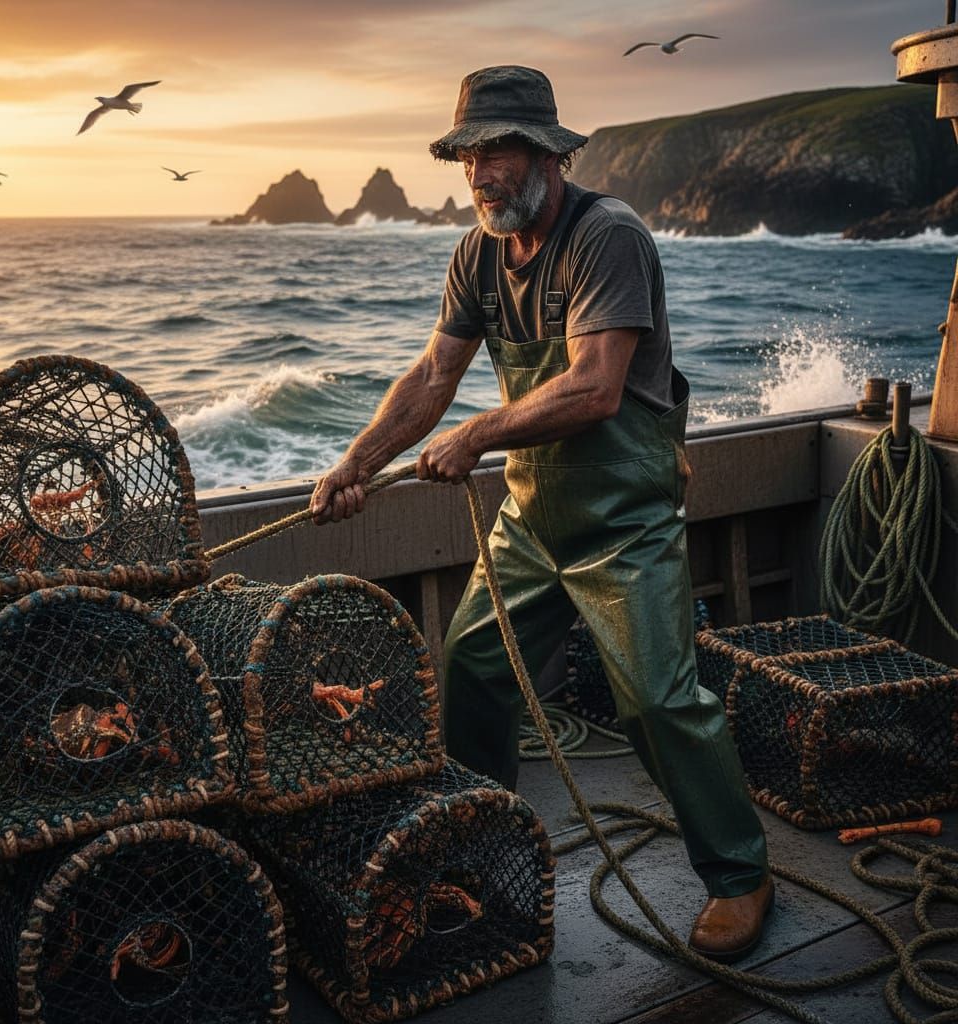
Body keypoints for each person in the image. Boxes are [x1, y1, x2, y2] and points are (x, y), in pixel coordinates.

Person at [310, 64, 773, 962]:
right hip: (531, 518)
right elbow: (434, 377)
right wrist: (357, 462)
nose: (478, 176)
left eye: (495, 155)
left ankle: (740, 875)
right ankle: (483, 852)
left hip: (623, 520)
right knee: (473, 662)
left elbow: (598, 388)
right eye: (466, 158)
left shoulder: (611, 238)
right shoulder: (477, 253)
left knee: (659, 698)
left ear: (545, 154)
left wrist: (480, 433)